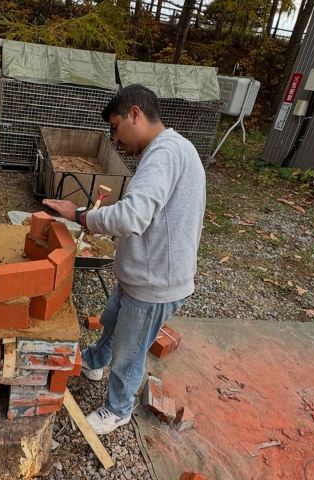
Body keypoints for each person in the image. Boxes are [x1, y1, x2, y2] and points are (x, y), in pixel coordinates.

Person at [43, 84, 206, 435]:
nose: (115, 139)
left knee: (130, 352)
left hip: (155, 283)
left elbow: (132, 217)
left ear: (135, 114)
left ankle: (118, 409)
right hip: (147, 274)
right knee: (113, 319)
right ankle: (94, 362)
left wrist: (81, 215)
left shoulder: (162, 154)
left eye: (116, 127)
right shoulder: (178, 147)